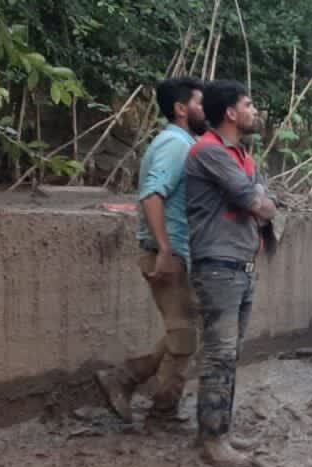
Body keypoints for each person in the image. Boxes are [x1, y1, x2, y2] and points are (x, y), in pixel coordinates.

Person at [94, 77, 206, 424]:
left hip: (175, 251)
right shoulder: (176, 145)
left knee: (184, 330)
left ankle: (128, 380)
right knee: (185, 334)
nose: (206, 109)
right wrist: (163, 248)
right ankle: (158, 407)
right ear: (180, 108)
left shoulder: (181, 141)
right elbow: (152, 193)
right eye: (200, 103)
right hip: (167, 252)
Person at [185, 80, 277, 467]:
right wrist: (261, 201)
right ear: (230, 113)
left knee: (229, 353)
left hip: (237, 264)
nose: (254, 111)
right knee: (220, 354)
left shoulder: (240, 155)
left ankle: (219, 430)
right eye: (248, 104)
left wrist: (261, 200)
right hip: (219, 265)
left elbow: (262, 199)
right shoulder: (209, 152)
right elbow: (259, 203)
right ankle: (212, 439)